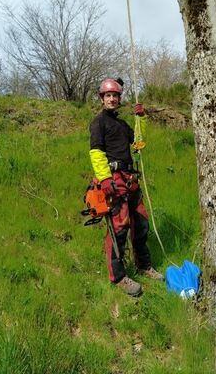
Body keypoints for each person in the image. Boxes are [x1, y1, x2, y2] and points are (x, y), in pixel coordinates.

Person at [89, 78, 164, 296]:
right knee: (118, 229)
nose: (112, 99)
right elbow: (96, 152)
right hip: (114, 180)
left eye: (115, 96)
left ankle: (144, 265)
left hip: (130, 179)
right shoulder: (99, 123)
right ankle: (118, 276)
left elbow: (139, 143)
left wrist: (141, 119)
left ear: (119, 99)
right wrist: (104, 179)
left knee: (141, 224)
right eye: (108, 96)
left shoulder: (121, 125)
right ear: (102, 98)